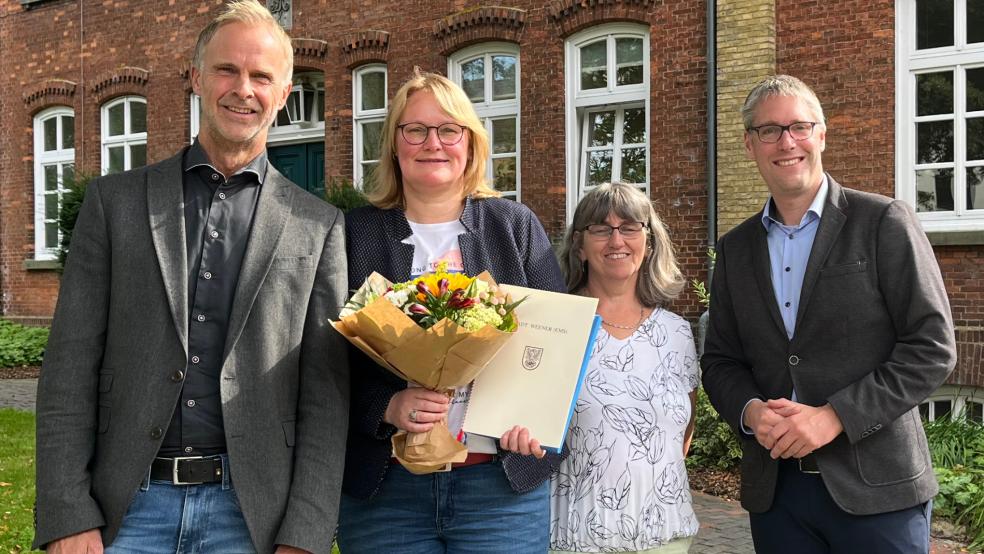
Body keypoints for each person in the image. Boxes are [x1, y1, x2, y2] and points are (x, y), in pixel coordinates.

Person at [32, 2, 349, 553]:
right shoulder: (116, 204)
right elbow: (68, 370)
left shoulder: (317, 226)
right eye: (227, 70)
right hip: (123, 515)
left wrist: (305, 534)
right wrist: (66, 513)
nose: (242, 89)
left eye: (261, 76)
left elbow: (326, 399)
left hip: (252, 520)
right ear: (197, 77)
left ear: (283, 90)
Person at [701, 75, 956, 553]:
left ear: (821, 134)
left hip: (878, 490)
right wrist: (752, 412)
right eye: (770, 131)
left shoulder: (882, 221)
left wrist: (834, 416)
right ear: (750, 145)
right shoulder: (735, 249)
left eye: (799, 126)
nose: (787, 141)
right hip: (778, 495)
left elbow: (932, 348)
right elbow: (720, 361)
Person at [337, 69, 565, 553]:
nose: (432, 143)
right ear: (395, 144)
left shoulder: (514, 226)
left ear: (471, 143)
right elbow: (324, 365)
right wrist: (387, 407)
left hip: (500, 490)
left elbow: (558, 346)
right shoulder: (353, 235)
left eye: (448, 130)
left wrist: (536, 420)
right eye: (414, 129)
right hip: (387, 493)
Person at [551, 183, 699, 554]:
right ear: (580, 246)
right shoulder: (554, 326)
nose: (617, 240)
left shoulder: (676, 333)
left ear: (648, 242)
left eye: (630, 227)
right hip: (573, 536)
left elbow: (682, 435)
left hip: (666, 536)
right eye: (601, 228)